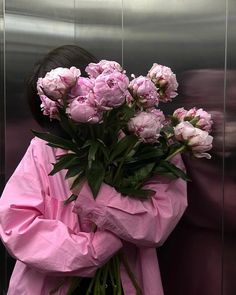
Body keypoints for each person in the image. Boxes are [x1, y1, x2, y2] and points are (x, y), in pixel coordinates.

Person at [0, 45, 187, 295]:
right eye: (51, 112)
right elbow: (18, 227)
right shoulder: (43, 149)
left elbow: (157, 221)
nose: (62, 118)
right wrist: (96, 247)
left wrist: (96, 199)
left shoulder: (145, 141)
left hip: (126, 282)